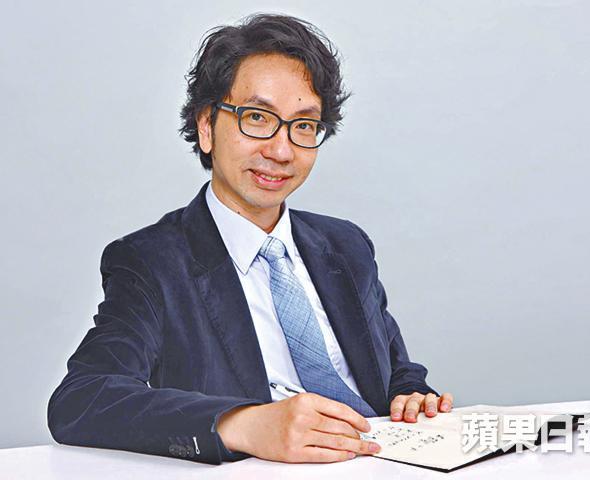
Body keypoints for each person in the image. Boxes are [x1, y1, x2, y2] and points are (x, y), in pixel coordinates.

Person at [47, 13, 454, 465]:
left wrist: (410, 396)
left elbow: (394, 369)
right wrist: (243, 424)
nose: (281, 151)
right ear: (207, 126)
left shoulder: (346, 245)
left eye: (304, 125)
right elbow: (82, 399)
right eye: (257, 118)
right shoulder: (152, 262)